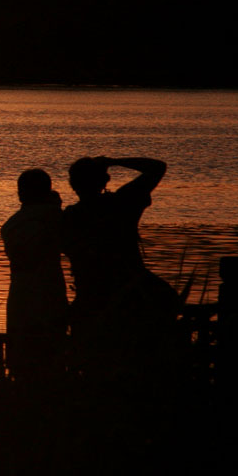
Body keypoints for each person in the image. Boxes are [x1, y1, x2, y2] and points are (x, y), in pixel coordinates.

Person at [62, 156, 179, 374]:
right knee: (168, 304)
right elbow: (157, 167)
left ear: (73, 185)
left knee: (91, 365)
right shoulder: (123, 203)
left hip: (90, 297)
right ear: (104, 180)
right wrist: (114, 160)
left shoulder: (69, 217)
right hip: (131, 291)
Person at [0, 169, 68, 381]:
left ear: (21, 194)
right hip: (49, 297)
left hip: (20, 298)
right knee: (51, 361)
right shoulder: (55, 218)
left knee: (21, 360)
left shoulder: (11, 225)